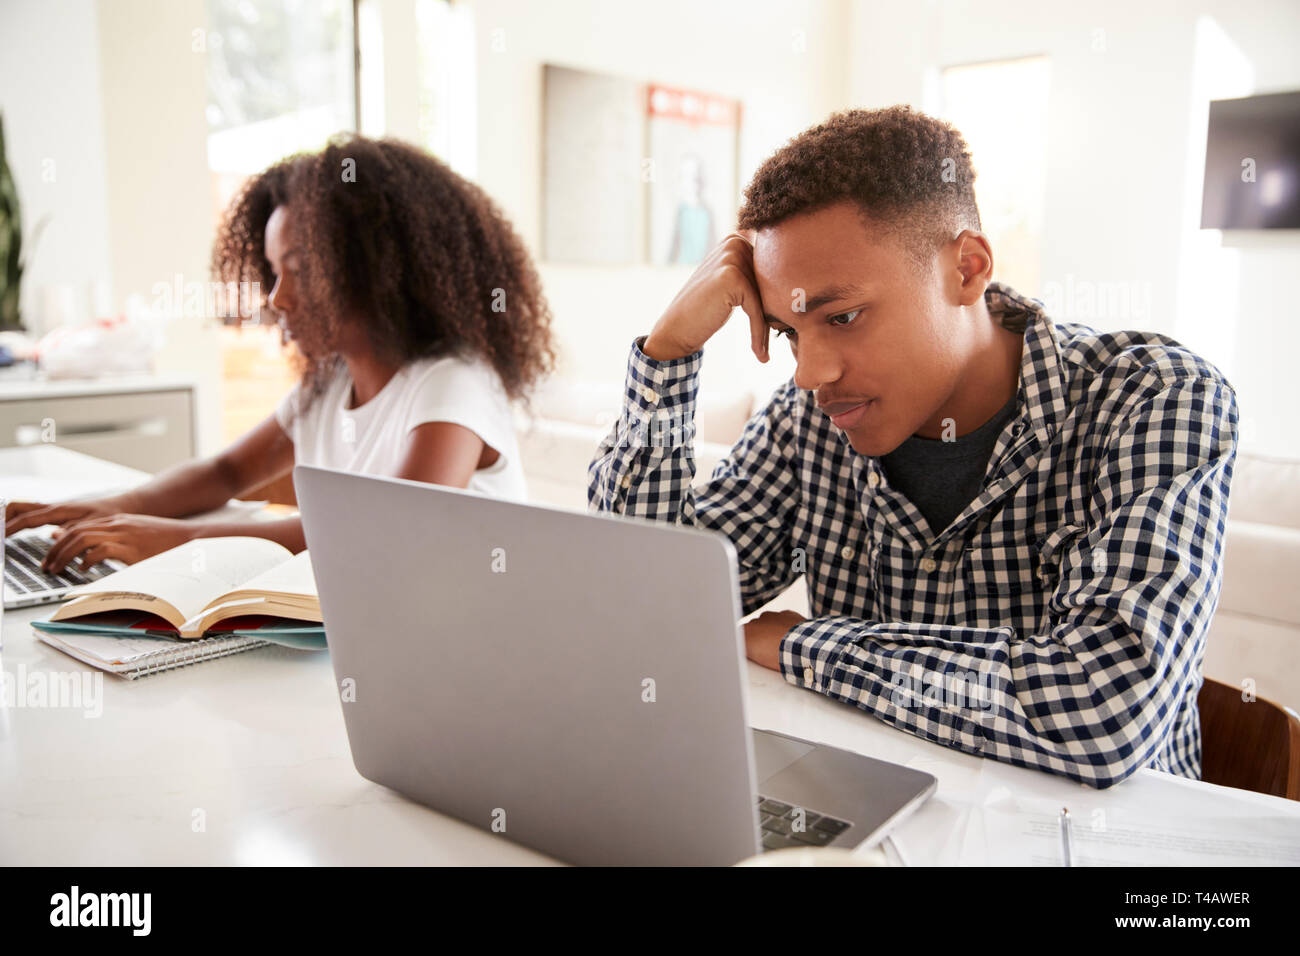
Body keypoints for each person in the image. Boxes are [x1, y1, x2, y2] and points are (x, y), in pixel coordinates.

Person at [588, 106, 1239, 789]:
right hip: (876, 817)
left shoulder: (1155, 399)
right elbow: (647, 605)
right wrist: (667, 356)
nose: (810, 373)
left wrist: (805, 646)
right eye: (788, 332)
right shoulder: (809, 418)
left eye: (842, 318)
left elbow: (1105, 711)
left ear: (967, 269)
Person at [9, 134, 555, 573]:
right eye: (274, 272)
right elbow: (226, 472)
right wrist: (115, 506)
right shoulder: (331, 382)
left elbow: (387, 531)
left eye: (301, 270)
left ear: (382, 269)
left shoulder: (452, 383)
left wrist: (179, 541)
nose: (278, 298)